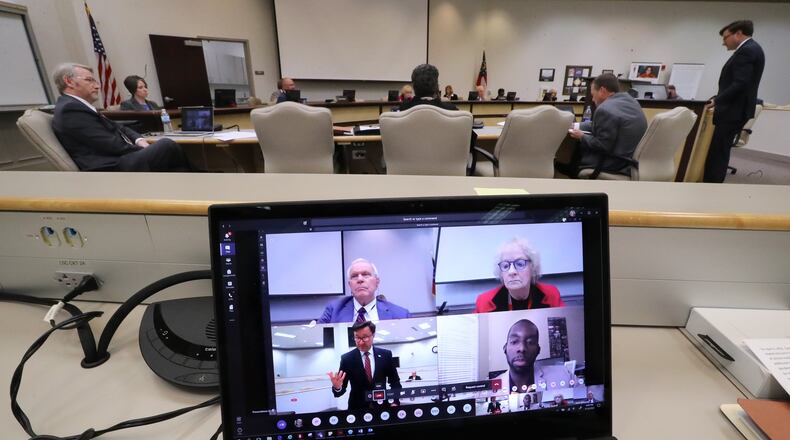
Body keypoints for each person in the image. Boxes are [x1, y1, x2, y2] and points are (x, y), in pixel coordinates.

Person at [51, 63, 193, 172]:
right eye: (90, 80)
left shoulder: (77, 106)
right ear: (68, 81)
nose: (97, 86)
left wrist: (139, 139)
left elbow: (118, 127)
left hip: (119, 158)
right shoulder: (70, 109)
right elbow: (110, 144)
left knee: (164, 148)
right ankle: (194, 183)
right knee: (166, 145)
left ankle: (189, 182)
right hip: (111, 166)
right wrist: (143, 151)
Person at [703, 20, 765, 183]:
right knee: (721, 150)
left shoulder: (747, 51)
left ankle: (710, 185)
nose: (724, 43)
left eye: (725, 37)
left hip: (733, 111)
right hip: (737, 109)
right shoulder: (753, 49)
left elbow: (739, 83)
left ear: (738, 34)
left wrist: (717, 100)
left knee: (718, 152)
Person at [561, 73, 647, 178]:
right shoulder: (630, 102)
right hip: (629, 161)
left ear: (602, 90)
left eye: (593, 95)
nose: (592, 99)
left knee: (568, 160)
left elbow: (602, 146)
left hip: (613, 163)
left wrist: (581, 136)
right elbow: (598, 125)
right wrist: (576, 125)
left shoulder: (605, 109)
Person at [475, 238, 565, 313]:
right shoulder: (484, 302)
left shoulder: (551, 294)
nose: (511, 271)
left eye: (520, 264)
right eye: (505, 266)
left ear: (533, 267)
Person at [327, 321, 402, 410]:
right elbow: (339, 392)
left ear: (373, 335)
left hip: (382, 407)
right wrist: (337, 387)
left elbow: (395, 382)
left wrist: (395, 402)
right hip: (357, 409)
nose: (361, 342)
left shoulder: (386, 355)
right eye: (357, 338)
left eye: (365, 337)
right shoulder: (347, 359)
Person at [318, 258, 410, 323]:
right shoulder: (333, 310)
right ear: (350, 285)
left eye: (366, 274)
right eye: (354, 276)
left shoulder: (400, 315)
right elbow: (318, 337)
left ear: (377, 282)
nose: (360, 279)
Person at [493, 319, 541, 394]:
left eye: (530, 342)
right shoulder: (489, 390)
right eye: (514, 341)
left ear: (538, 350)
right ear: (505, 349)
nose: (522, 348)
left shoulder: (563, 376)